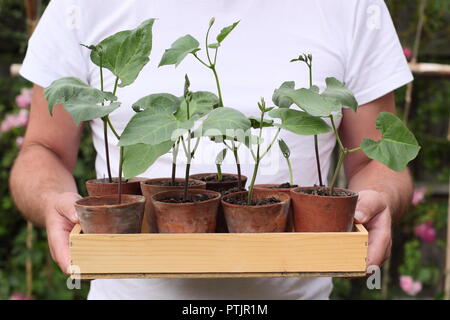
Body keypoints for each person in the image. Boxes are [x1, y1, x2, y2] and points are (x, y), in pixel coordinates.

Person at [10, 0, 413, 299]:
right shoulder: (82, 6)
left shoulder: (352, 7)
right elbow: (43, 149)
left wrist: (381, 198)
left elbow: (378, 162)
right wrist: (53, 201)